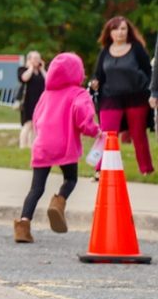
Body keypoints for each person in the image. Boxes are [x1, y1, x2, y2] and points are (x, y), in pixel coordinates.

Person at [18, 51, 96, 242]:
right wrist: (95, 131)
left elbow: (36, 118)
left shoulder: (46, 94)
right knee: (70, 179)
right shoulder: (78, 94)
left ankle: (23, 225)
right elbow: (82, 117)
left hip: (42, 145)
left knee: (36, 189)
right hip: (64, 145)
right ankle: (58, 203)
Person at [89, 17, 153, 175]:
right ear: (109, 33)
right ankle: (100, 170)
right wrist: (94, 82)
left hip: (136, 97)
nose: (120, 32)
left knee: (138, 135)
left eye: (123, 29)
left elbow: (149, 72)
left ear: (128, 31)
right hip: (110, 98)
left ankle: (146, 169)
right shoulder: (105, 51)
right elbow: (97, 75)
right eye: (116, 29)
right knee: (107, 134)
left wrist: (152, 93)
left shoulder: (137, 49)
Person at [17, 50, 46, 150]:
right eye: (35, 58)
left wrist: (42, 69)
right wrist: (30, 67)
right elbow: (24, 78)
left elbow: (48, 80)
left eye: (38, 58)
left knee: (35, 125)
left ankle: (31, 146)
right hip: (27, 101)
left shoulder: (41, 72)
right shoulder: (23, 69)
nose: (37, 60)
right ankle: (22, 145)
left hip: (39, 101)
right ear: (29, 59)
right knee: (28, 124)